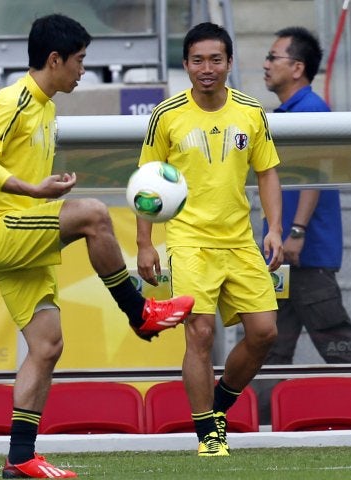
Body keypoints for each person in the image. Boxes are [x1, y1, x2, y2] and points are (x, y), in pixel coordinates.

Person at [0, 14, 194, 479]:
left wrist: (45, 189)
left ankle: (20, 457)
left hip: (18, 230)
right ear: (55, 60)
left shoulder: (46, 106)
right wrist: (33, 191)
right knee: (93, 214)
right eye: (80, 60)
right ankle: (139, 312)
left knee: (47, 346)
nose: (83, 70)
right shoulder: (14, 100)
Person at [136, 22, 283, 456]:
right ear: (185, 65)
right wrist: (145, 244)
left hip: (239, 241)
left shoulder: (251, 112)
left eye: (215, 59)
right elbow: (146, 181)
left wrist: (274, 227)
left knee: (264, 334)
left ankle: (220, 402)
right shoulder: (166, 115)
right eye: (197, 60)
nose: (207, 68)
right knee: (198, 334)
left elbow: (267, 172)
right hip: (188, 241)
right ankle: (208, 435)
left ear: (230, 63)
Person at [253, 26, 351, 424]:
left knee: (336, 341)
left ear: (297, 67)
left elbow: (316, 175)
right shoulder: (285, 113)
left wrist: (294, 232)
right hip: (283, 254)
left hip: (304, 253)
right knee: (268, 342)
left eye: (273, 57)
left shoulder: (311, 110)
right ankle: (256, 422)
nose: (265, 65)